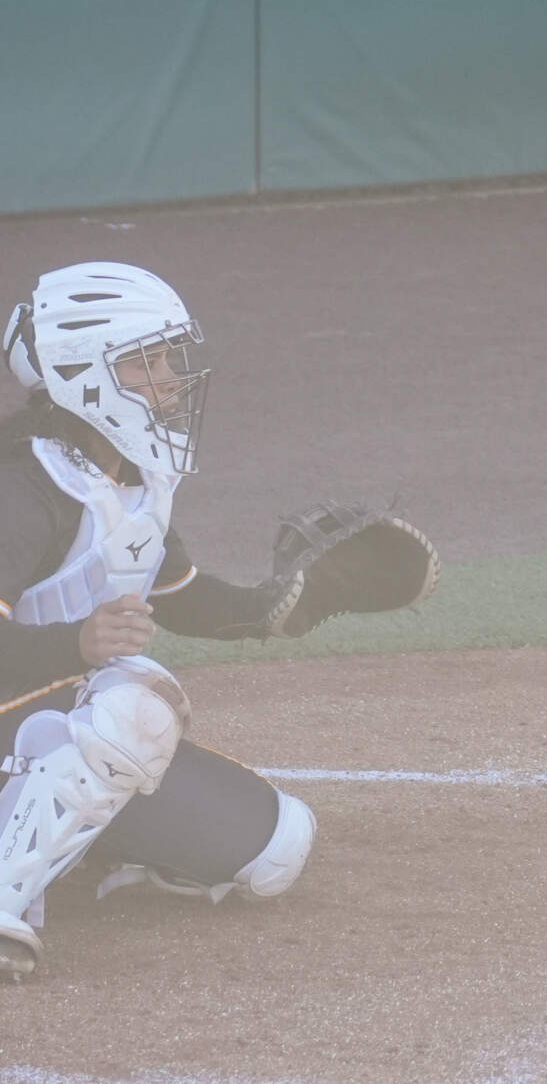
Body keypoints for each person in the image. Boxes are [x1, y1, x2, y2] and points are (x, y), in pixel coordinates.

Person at [0, 263, 318, 977]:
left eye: (169, 358)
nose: (171, 379)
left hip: (41, 739)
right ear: (84, 374)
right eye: (146, 361)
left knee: (276, 846)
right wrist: (76, 644)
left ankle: (69, 844)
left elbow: (185, 597)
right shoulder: (21, 486)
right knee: (134, 699)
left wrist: (284, 606)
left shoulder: (128, 482)